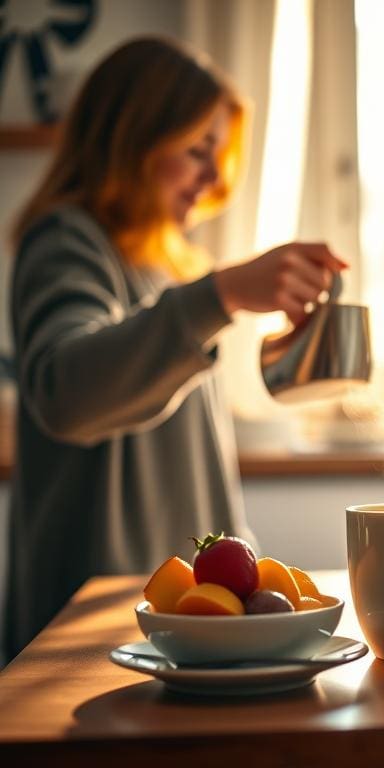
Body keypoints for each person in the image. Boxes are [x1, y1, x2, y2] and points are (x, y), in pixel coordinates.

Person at [2, 36, 346, 660]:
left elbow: (200, 474)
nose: (215, 179)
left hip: (182, 626)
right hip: (87, 632)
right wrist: (221, 294)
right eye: (197, 151)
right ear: (130, 141)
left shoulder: (166, 270)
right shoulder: (66, 241)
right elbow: (66, 396)